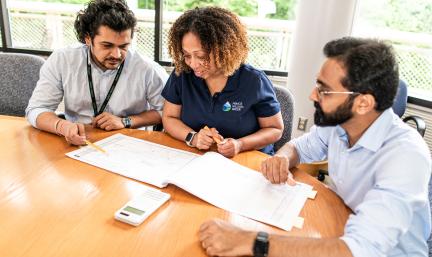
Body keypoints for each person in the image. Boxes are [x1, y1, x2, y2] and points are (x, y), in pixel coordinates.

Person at [198, 37, 431, 257]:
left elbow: (358, 250)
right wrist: (283, 158)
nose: (312, 95)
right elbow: (299, 146)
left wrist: (249, 241)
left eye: (324, 89)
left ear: (363, 103)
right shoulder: (339, 124)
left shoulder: (406, 156)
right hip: (342, 227)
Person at [26, 0, 168, 145]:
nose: (117, 54)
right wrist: (62, 126)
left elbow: (168, 113)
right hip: (78, 141)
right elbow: (37, 109)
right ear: (88, 38)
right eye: (107, 45)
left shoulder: (148, 69)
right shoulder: (63, 60)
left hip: (130, 143)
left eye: (124, 46)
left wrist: (126, 121)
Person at [161, 7, 284, 158]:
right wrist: (192, 137)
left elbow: (275, 129)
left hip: (247, 160)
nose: (193, 64)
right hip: (197, 158)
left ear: (224, 49)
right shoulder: (182, 74)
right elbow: (169, 118)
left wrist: (240, 144)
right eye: (187, 55)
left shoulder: (254, 81)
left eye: (201, 56)